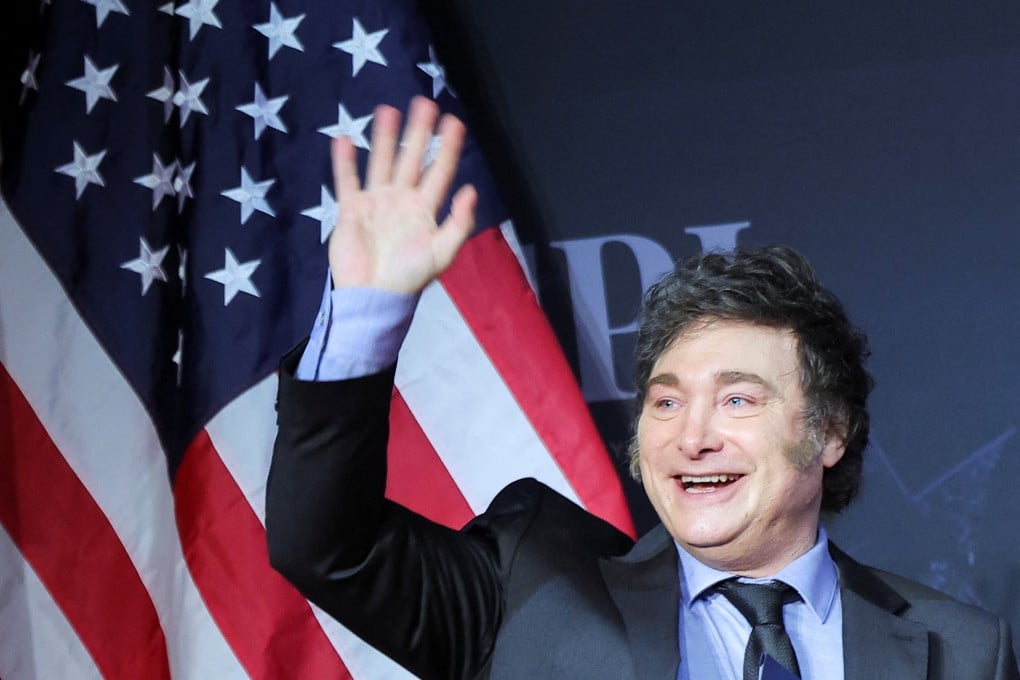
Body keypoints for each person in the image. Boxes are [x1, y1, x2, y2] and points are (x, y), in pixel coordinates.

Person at [265, 96, 1019, 680]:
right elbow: (326, 545)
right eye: (666, 401)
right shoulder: (531, 587)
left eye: (737, 399)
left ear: (827, 431)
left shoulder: (960, 649)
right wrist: (365, 315)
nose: (691, 437)